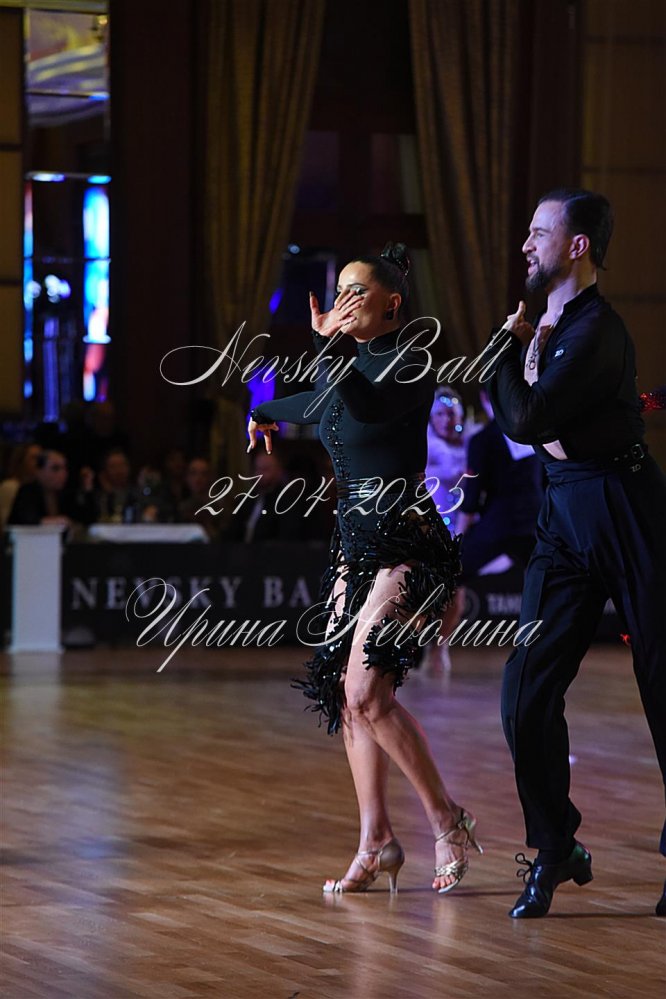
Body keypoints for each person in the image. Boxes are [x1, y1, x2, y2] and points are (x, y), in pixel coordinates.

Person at [248, 244, 482, 894]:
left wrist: (328, 346)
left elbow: (368, 405)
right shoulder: (345, 363)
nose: (345, 302)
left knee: (367, 694)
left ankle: (448, 821)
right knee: (344, 697)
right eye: (340, 291)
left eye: (358, 292)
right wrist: (261, 412)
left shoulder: (412, 361)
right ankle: (376, 840)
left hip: (408, 544)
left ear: (392, 303)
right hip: (354, 548)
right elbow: (306, 402)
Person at [485, 188, 666, 918]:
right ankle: (556, 843)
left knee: (662, 684)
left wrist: (502, 347)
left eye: (540, 232)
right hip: (563, 509)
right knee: (524, 694)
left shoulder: (596, 331)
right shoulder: (550, 327)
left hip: (627, 508)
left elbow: (526, 417)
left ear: (578, 245)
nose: (526, 244)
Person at [457, 386, 543, 577]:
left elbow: (471, 498)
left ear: (483, 398)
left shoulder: (482, 439)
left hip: (500, 524)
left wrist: (458, 538)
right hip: (538, 522)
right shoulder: (532, 431)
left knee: (455, 570)